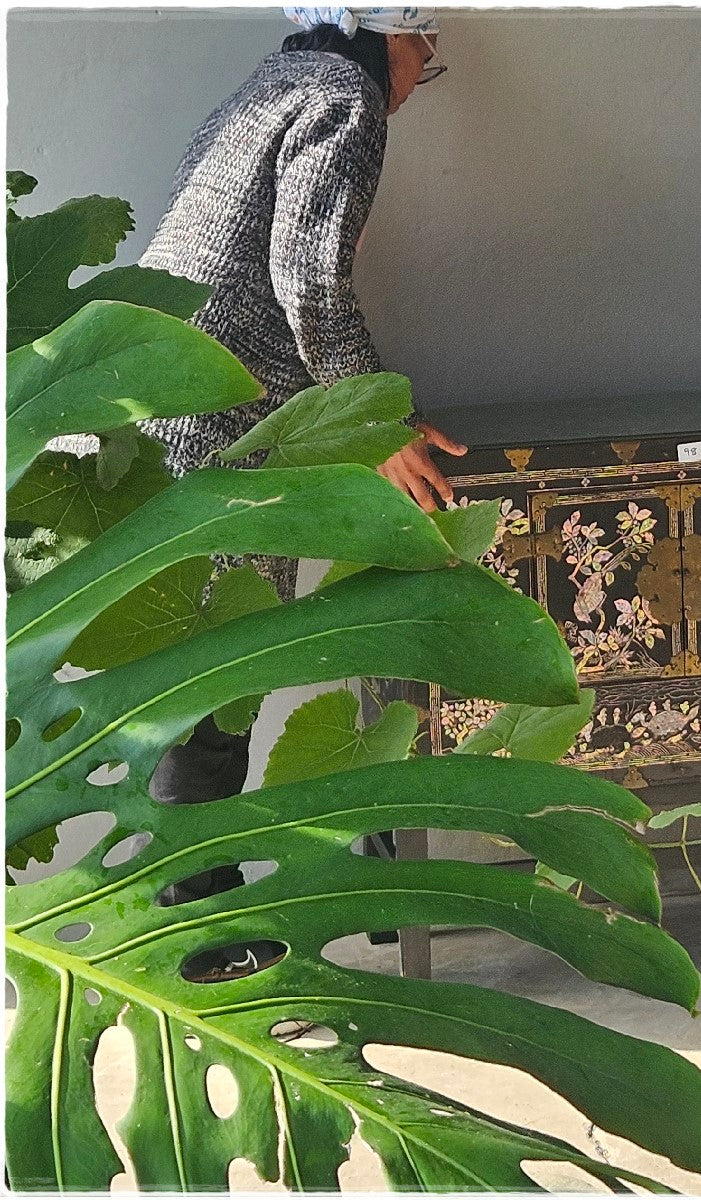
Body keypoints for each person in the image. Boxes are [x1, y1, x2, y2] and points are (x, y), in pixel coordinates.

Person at [141, 6, 466, 934]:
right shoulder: (345, 99)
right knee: (218, 687)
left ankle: (191, 913)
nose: (418, 77)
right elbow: (308, 278)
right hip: (226, 426)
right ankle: (199, 934)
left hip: (171, 401)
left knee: (194, 679)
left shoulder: (270, 84)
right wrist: (377, 425)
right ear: (385, 30)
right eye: (424, 54)